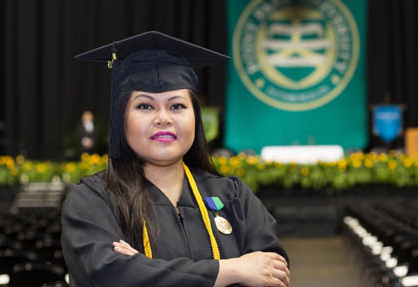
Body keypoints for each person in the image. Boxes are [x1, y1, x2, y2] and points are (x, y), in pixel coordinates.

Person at [61, 31, 290, 287]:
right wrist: (231, 270)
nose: (163, 119)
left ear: (196, 118)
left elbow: (274, 274)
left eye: (177, 106)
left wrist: (143, 271)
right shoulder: (94, 199)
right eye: (145, 106)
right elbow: (109, 275)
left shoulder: (234, 196)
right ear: (121, 120)